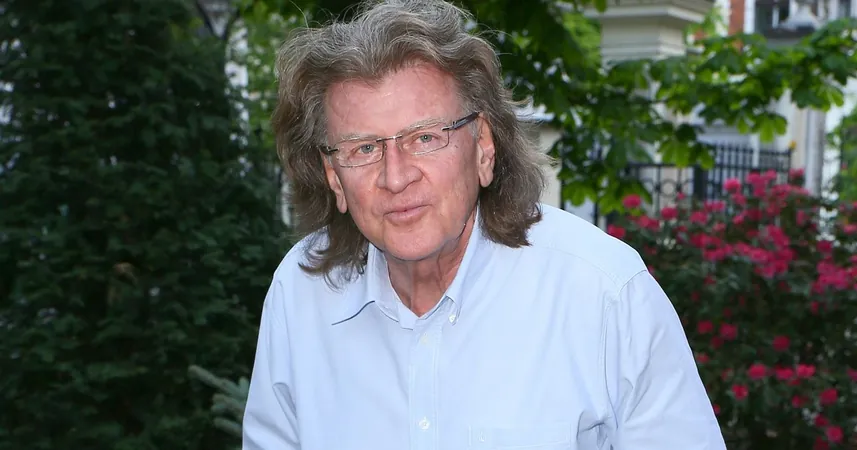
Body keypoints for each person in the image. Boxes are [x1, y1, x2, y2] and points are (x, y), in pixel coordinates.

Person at [242, 0, 727, 449]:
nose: (396, 176)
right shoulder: (301, 292)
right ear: (334, 178)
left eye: (425, 137)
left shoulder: (602, 293)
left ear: (484, 149)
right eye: (364, 148)